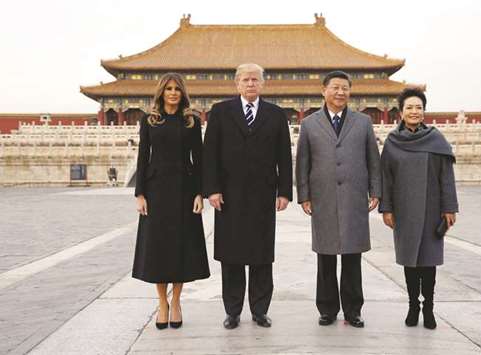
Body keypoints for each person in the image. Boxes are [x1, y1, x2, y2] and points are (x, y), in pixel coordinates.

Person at [202, 63, 293, 329]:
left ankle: (260, 310)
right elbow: (210, 154)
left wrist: (284, 192)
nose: (251, 84)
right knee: (231, 256)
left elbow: (284, 157)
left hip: (263, 195)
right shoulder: (220, 112)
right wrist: (212, 189)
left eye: (255, 79)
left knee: (261, 255)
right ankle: (232, 311)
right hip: (228, 196)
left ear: (263, 84)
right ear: (237, 84)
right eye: (246, 80)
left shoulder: (276, 114)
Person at [296, 71, 381, 328]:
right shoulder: (310, 124)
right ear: (323, 91)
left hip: (354, 196)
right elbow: (303, 162)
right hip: (323, 197)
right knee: (326, 256)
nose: (340, 92)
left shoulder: (363, 122)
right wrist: (304, 196)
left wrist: (375, 191)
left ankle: (353, 310)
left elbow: (373, 159)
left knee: (353, 257)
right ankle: (327, 309)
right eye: (335, 88)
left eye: (345, 88)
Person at [133, 73, 210, 330]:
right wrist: (140, 194)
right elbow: (143, 157)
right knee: (158, 248)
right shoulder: (150, 120)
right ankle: (161, 303)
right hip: (156, 192)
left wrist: (199, 193)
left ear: (183, 93)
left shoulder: (191, 121)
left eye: (177, 89)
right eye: (168, 89)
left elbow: (198, 160)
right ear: (161, 93)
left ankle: (176, 301)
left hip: (184, 191)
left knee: (181, 247)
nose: (173, 93)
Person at [379, 88, 458, 329]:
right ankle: (413, 306)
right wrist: (387, 209)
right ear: (401, 112)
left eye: (418, 107)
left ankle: (429, 309)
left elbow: (446, 176)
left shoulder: (436, 139)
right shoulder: (392, 142)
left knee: (429, 262)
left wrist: (449, 207)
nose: (414, 111)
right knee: (410, 262)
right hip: (404, 210)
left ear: (424, 111)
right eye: (409, 107)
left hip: (432, 207)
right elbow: (386, 178)